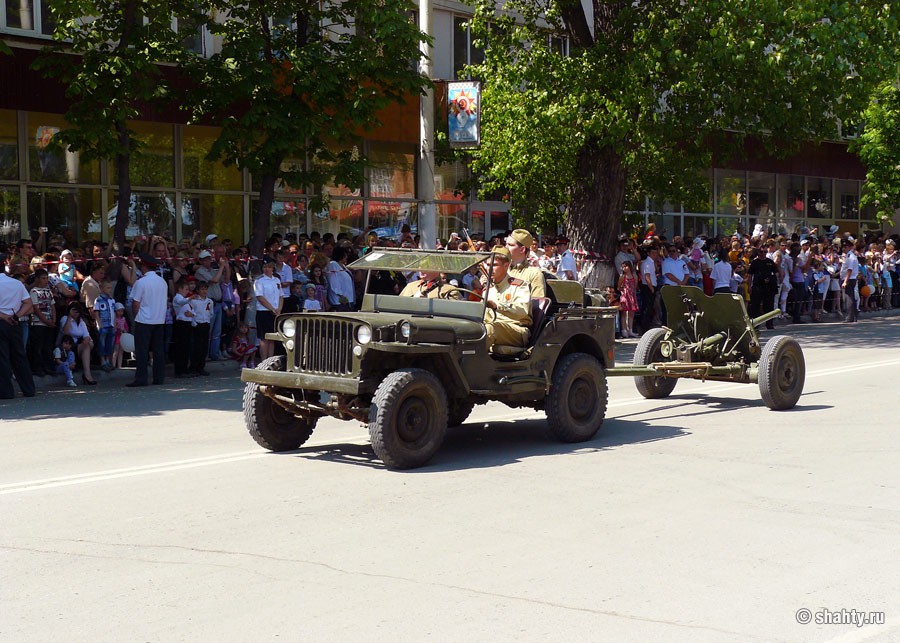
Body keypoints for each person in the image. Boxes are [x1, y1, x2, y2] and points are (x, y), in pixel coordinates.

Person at [128, 253, 169, 387]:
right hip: (159, 319)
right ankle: (159, 377)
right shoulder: (162, 281)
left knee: (142, 351)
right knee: (158, 350)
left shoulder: (141, 282)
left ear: (144, 266)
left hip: (144, 320)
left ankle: (141, 378)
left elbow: (135, 303)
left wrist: (136, 316)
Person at [0, 254, 36, 399]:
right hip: (16, 322)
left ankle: (6, 392)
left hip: (2, 322)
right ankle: (28, 389)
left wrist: (4, 316)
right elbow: (29, 304)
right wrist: (17, 315)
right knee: (19, 356)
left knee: (2, 357)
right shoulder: (16, 283)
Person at [482, 247, 532, 350]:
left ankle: (474, 364)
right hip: (493, 327)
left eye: (494, 265)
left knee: (490, 328)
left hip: (517, 330)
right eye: (487, 265)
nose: (489, 268)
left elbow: (522, 311)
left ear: (506, 266)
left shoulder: (519, 285)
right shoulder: (488, 289)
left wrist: (497, 306)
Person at [194, 249, 228, 361]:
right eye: (205, 259)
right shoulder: (200, 272)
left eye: (209, 259)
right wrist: (222, 267)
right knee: (208, 330)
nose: (208, 261)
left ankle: (215, 353)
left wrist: (226, 267)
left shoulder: (214, 270)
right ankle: (205, 354)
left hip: (218, 303)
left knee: (217, 331)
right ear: (201, 261)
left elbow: (225, 280)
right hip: (208, 303)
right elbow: (214, 280)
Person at [28, 268, 56, 376]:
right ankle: (38, 368)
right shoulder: (34, 291)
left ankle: (48, 367)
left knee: (47, 346)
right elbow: (36, 309)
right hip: (38, 323)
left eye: (47, 278)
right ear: (37, 279)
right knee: (38, 346)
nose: (46, 280)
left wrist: (53, 319)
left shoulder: (48, 291)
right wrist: (46, 321)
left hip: (49, 322)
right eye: (43, 278)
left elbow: (52, 305)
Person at [59, 303, 96, 385]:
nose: (76, 313)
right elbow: (66, 333)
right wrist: (70, 318)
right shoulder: (64, 319)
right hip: (67, 346)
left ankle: (87, 373)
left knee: (88, 345)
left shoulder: (81, 321)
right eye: (73, 310)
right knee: (86, 347)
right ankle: (87, 375)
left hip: (77, 345)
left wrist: (85, 342)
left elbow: (86, 336)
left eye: (77, 311)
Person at [254, 260, 283, 361]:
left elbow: (281, 296)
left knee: (272, 338)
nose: (267, 269)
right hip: (264, 312)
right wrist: (271, 308)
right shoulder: (259, 281)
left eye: (269, 267)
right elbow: (260, 297)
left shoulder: (276, 280)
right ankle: (263, 360)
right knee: (265, 337)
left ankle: (270, 360)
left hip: (275, 312)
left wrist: (279, 309)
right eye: (265, 267)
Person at [505, 229, 545, 297]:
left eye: (510, 245)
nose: (506, 248)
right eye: (506, 244)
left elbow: (537, 302)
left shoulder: (534, 274)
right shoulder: (502, 269)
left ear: (522, 249)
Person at [747, 249, 778, 329]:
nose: (763, 253)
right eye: (761, 252)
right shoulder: (755, 262)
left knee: (769, 306)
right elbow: (750, 275)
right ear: (758, 253)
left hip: (768, 287)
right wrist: (749, 286)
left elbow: (776, 273)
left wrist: (771, 279)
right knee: (755, 306)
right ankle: (756, 324)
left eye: (765, 252)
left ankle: (769, 324)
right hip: (757, 286)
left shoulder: (770, 262)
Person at [171, 278, 195, 378]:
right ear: (180, 289)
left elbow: (192, 310)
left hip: (187, 324)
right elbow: (181, 302)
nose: (187, 291)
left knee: (186, 347)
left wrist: (191, 314)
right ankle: (179, 370)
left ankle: (185, 368)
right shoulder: (177, 298)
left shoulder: (186, 301)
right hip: (181, 324)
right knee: (181, 347)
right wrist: (190, 298)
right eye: (185, 289)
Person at [189, 281, 213, 376]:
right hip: (197, 324)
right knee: (196, 347)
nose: (204, 291)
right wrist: (194, 323)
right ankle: (193, 367)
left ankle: (201, 367)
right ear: (198, 290)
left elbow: (211, 313)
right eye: (202, 289)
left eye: (205, 289)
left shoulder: (209, 301)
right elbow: (191, 312)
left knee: (204, 347)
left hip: (205, 324)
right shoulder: (194, 301)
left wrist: (207, 321)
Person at [92, 280, 117, 372]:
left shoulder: (112, 300)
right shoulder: (98, 300)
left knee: (109, 343)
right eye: (108, 287)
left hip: (110, 325)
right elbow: (96, 313)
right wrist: (99, 323)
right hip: (103, 325)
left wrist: (114, 323)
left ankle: (108, 360)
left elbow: (113, 312)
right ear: (101, 288)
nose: (110, 290)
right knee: (102, 342)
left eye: (110, 288)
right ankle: (102, 361)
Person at [326, 245, 355, 311]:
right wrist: (340, 295)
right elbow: (333, 281)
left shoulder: (343, 266)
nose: (346, 257)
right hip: (339, 301)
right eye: (345, 255)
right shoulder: (333, 264)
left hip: (348, 300)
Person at [617, 260, 639, 338]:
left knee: (631, 313)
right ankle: (624, 330)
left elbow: (635, 286)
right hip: (625, 296)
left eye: (626, 266)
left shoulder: (634, 276)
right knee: (624, 313)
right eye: (623, 267)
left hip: (632, 295)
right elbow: (619, 287)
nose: (624, 268)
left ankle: (630, 330)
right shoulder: (622, 277)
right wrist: (623, 290)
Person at [840, 239, 860, 323]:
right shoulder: (848, 256)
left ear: (849, 247)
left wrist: (845, 281)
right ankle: (853, 316)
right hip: (849, 278)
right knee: (850, 297)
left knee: (849, 298)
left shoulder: (851, 257)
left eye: (845, 247)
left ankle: (850, 317)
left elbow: (850, 270)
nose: (843, 249)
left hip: (849, 279)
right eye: (843, 247)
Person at [112, 302, 129, 369]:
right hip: (117, 337)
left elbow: (126, 327)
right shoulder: (114, 319)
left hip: (122, 337)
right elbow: (114, 328)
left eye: (122, 311)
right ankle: (113, 365)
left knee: (121, 352)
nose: (120, 312)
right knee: (115, 351)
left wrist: (125, 330)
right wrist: (117, 329)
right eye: (119, 311)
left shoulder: (123, 319)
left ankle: (119, 365)